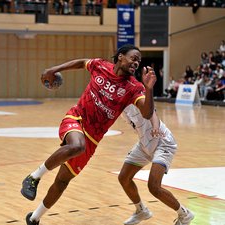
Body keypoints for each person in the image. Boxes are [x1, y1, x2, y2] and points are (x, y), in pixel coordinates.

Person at [21, 44, 157, 225]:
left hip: (94, 138)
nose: (136, 63)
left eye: (139, 61)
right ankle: (33, 177)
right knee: (77, 145)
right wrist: (55, 69)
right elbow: (81, 63)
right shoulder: (101, 66)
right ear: (120, 57)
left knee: (62, 181)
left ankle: (34, 218)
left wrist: (149, 89)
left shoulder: (134, 87)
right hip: (76, 118)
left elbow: (147, 113)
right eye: (133, 58)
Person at [118, 105, 194, 225]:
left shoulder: (136, 92)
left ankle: (185, 214)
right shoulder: (119, 105)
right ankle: (141, 211)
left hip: (162, 141)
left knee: (154, 187)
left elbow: (151, 111)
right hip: (144, 143)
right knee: (124, 177)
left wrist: (155, 126)